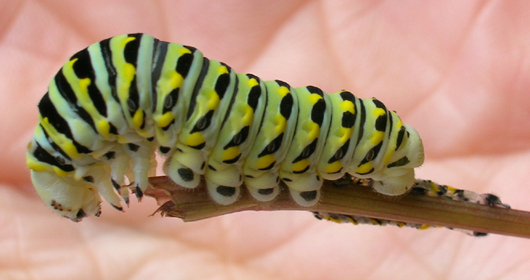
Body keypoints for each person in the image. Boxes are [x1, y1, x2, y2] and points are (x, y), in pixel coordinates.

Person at [2, 1, 529, 278]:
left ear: (83, 152)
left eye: (88, 182)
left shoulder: (131, 110)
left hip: (351, 140)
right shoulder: (130, 112)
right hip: (338, 134)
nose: (106, 190)